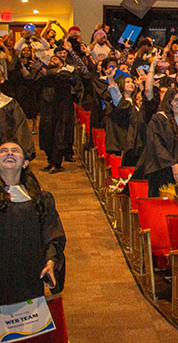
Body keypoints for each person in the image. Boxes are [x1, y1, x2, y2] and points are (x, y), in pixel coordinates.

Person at [0, 142, 66, 307]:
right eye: (3, 151)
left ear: (25, 163)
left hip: (29, 279)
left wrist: (50, 263)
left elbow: (52, 236)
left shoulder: (41, 200)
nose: (9, 153)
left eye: (15, 151)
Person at [37, 52, 76, 173]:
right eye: (51, 59)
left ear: (62, 64)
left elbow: (60, 79)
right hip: (47, 111)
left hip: (61, 112)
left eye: (56, 59)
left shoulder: (65, 73)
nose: (52, 60)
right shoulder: (44, 76)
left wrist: (45, 71)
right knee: (46, 136)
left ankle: (57, 163)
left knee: (58, 137)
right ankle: (50, 161)